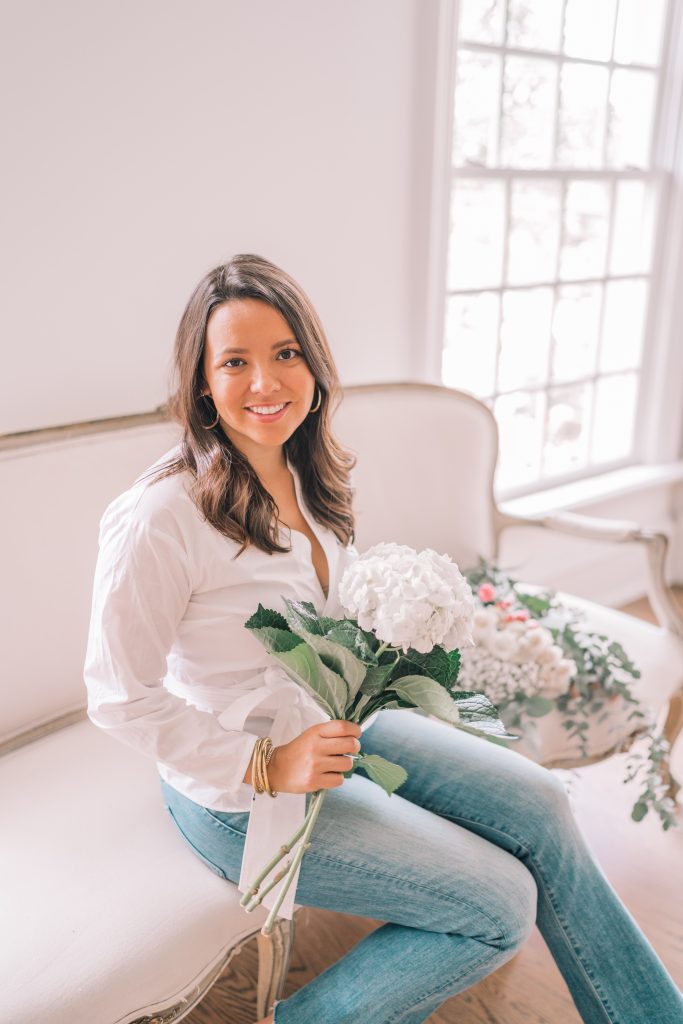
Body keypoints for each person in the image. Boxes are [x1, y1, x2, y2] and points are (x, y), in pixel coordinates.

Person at [84, 254, 683, 1024]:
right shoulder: (160, 516)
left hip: (339, 727)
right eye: (235, 361)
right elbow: (117, 696)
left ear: (313, 363)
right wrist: (267, 763)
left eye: (284, 354)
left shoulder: (307, 474)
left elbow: (328, 617)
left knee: (539, 800)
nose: (265, 383)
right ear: (202, 381)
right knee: (500, 905)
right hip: (243, 789)